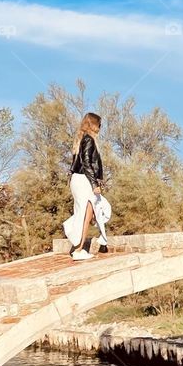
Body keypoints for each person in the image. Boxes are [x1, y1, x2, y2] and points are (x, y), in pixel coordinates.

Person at [64, 111, 107, 261]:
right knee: (86, 214)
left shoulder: (81, 139)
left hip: (79, 179)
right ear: (93, 125)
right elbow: (86, 163)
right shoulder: (88, 139)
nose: (100, 128)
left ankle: (80, 246)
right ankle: (78, 249)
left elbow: (77, 163)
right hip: (84, 180)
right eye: (99, 125)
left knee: (90, 212)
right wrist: (94, 183)